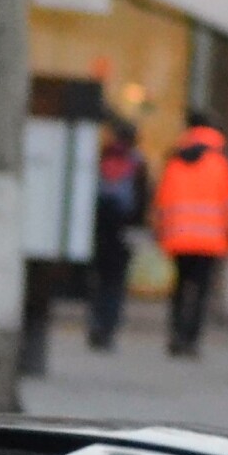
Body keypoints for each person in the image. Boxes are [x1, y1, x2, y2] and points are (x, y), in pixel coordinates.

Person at [151, 112, 228, 358]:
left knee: (180, 286)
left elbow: (162, 200)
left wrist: (160, 232)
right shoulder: (221, 160)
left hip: (178, 237)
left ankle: (176, 334)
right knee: (201, 291)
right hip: (211, 240)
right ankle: (191, 340)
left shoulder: (174, 159)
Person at [86, 116, 149, 352]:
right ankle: (108, 329)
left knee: (98, 279)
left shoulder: (101, 157)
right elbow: (142, 198)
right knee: (115, 281)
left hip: (99, 226)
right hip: (124, 228)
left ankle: (95, 324)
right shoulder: (137, 163)